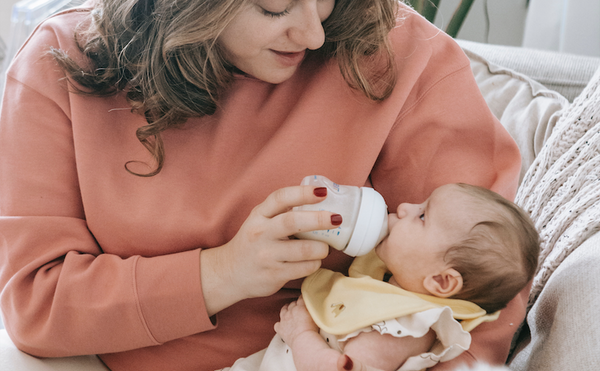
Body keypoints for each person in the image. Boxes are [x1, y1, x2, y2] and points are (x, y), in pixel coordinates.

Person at [0, 0, 523, 370]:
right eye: (275, 9)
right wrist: (221, 273)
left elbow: (485, 283)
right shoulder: (60, 67)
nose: (314, 33)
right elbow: (36, 303)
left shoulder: (403, 58)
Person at [224, 183, 540, 371]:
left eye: (422, 216)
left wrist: (300, 333)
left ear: (441, 282)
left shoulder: (405, 327)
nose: (404, 207)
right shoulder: (388, 289)